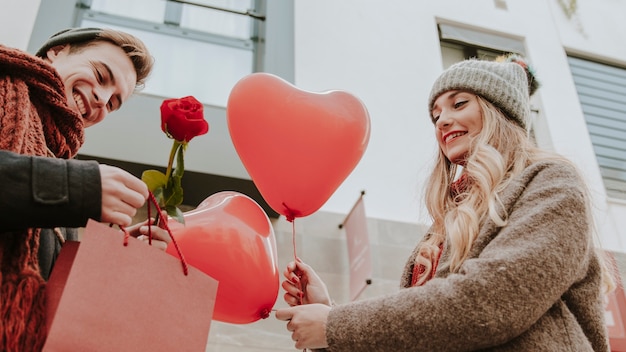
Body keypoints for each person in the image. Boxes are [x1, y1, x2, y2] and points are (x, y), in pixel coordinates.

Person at [275, 55, 615, 351]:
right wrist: (328, 320)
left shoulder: (551, 182)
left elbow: (492, 302)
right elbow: (422, 335)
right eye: (436, 114)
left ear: (498, 110)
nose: (442, 120)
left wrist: (335, 324)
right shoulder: (445, 224)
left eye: (459, 104)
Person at [0, 27, 168, 351]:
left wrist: (108, 261)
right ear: (57, 51)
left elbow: (50, 292)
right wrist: (78, 187)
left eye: (115, 101)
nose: (103, 100)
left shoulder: (62, 163)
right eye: (101, 75)